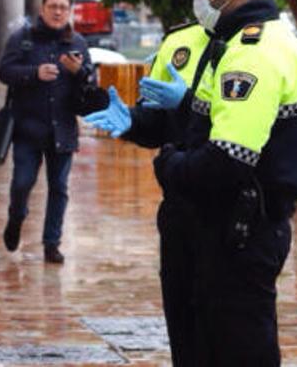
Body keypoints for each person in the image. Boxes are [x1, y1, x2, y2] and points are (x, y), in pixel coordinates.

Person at [154, 0, 297, 365]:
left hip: (237, 233)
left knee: (233, 351)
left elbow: (228, 159)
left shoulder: (253, 54)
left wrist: (169, 165)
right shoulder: (261, 41)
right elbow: (214, 119)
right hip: (234, 228)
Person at [84, 21, 216, 363]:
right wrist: (133, 120)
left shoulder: (255, 47)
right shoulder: (179, 41)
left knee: (224, 330)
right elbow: (160, 122)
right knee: (182, 320)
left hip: (228, 207)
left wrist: (189, 103)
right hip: (179, 205)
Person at [0, 0, 97, 264]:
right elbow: (4, 71)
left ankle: (51, 244)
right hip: (28, 128)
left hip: (62, 129)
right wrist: (34, 73)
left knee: (59, 188)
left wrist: (81, 73)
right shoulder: (23, 39)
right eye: (52, 6)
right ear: (42, 9)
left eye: (63, 8)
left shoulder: (77, 43)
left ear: (69, 12)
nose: (57, 12)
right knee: (22, 183)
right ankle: (16, 218)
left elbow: (92, 84)